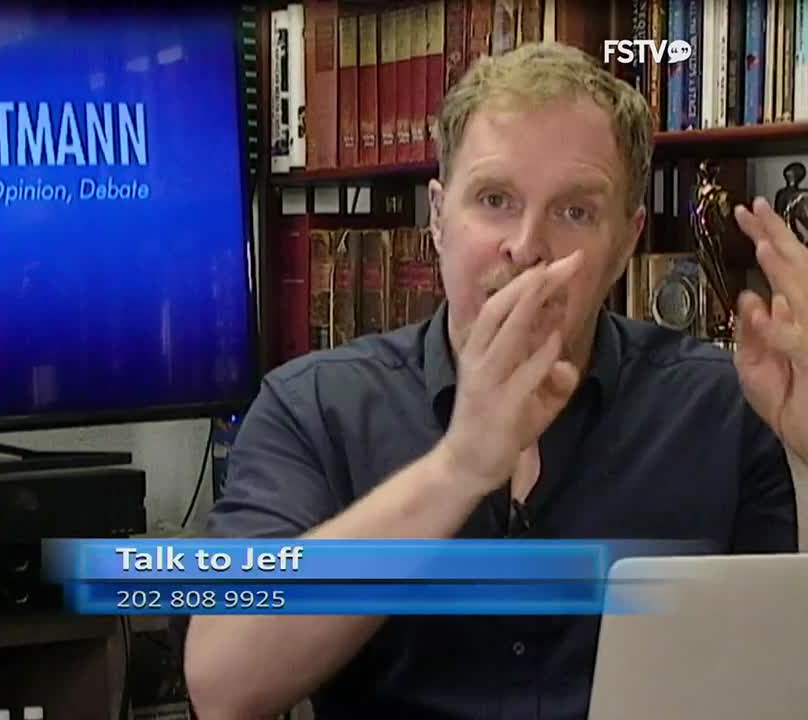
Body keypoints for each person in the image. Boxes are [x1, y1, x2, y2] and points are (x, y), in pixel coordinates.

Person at [185, 42, 803, 720]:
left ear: (627, 243)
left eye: (575, 212)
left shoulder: (724, 407)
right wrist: (458, 467)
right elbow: (223, 683)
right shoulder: (314, 407)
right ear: (438, 219)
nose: (527, 245)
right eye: (496, 199)